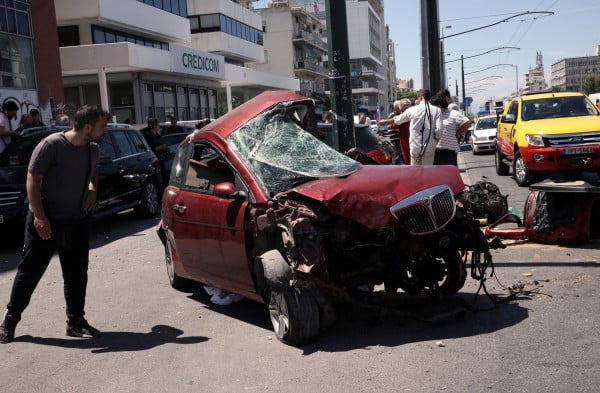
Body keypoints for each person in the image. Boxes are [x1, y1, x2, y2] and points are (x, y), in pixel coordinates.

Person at [0, 105, 110, 344]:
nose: (106, 130)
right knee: (30, 272)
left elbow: (93, 174)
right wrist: (39, 217)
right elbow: (32, 180)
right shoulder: (52, 145)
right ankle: (10, 320)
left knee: (76, 274)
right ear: (88, 126)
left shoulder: (93, 149)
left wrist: (92, 190)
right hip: (45, 221)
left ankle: (75, 321)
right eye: (102, 126)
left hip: (76, 221)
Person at [386, 89, 442, 165]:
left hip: (415, 147)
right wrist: (435, 140)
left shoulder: (412, 110)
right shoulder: (437, 110)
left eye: (417, 98)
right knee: (427, 171)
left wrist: (385, 122)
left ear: (421, 97)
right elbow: (439, 129)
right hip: (429, 147)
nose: (416, 100)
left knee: (415, 172)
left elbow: (397, 120)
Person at [430, 93, 471, 166]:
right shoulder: (435, 115)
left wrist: (458, 133)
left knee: (448, 175)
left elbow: (467, 123)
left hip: (448, 152)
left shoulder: (454, 113)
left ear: (439, 106)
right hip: (434, 151)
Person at [379, 99, 411, 164]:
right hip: (397, 139)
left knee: (404, 156)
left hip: (405, 139)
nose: (406, 107)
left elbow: (394, 124)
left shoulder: (405, 114)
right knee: (399, 155)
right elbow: (392, 126)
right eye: (403, 105)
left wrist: (386, 122)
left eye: (407, 105)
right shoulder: (397, 115)